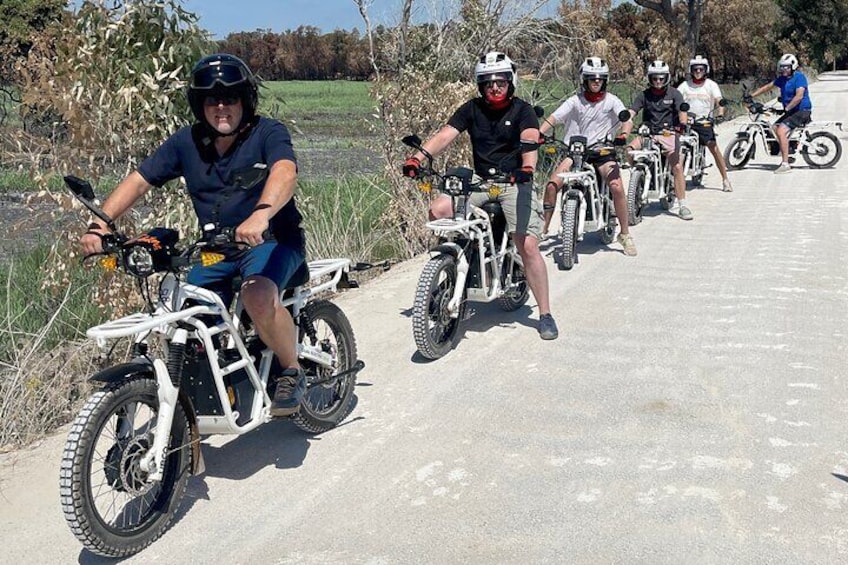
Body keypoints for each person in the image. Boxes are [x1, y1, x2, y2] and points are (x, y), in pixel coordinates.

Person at [80, 53, 307, 417]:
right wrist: (101, 222)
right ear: (199, 105)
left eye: (230, 98)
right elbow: (141, 180)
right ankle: (198, 404)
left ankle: (291, 369)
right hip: (215, 250)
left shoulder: (268, 132)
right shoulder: (187, 142)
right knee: (182, 315)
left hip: (271, 243)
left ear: (244, 101)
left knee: (258, 296)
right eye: (211, 100)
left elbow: (285, 171)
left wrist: (262, 215)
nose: (221, 107)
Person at [402, 51, 559, 340]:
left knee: (527, 245)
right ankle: (454, 264)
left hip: (515, 181)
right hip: (481, 180)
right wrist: (417, 158)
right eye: (488, 83)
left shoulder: (522, 110)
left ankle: (545, 312)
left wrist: (527, 168)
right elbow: (445, 135)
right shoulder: (471, 108)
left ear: (510, 82)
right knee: (438, 209)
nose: (495, 88)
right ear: (480, 85)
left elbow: (529, 140)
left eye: (500, 82)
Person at [539, 56, 637, 257]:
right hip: (575, 152)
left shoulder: (611, 101)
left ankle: (625, 234)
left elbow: (626, 119)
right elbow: (554, 118)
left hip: (602, 152)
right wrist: (539, 134)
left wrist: (623, 135)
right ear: (584, 79)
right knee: (551, 185)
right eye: (592, 78)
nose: (596, 82)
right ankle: (544, 229)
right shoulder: (574, 101)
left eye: (600, 79)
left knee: (617, 186)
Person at [622, 59, 692, 220]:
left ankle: (682, 205)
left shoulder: (674, 93)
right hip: (648, 133)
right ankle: (638, 177)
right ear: (650, 78)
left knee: (677, 166)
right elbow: (633, 111)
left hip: (668, 133)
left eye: (661, 78)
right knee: (629, 151)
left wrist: (682, 124)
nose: (658, 81)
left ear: (666, 78)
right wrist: (627, 117)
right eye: (655, 78)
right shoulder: (644, 95)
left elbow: (682, 111)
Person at [676, 55, 733, 192]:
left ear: (705, 70)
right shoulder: (684, 86)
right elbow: (676, 101)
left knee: (713, 147)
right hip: (687, 122)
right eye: (695, 69)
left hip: (704, 121)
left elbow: (719, 100)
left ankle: (725, 179)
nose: (698, 71)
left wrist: (719, 114)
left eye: (701, 69)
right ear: (691, 70)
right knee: (675, 146)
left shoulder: (711, 85)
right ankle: (675, 180)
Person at [748, 53, 812, 174]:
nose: (784, 69)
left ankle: (785, 164)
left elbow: (799, 96)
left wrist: (787, 108)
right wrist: (751, 95)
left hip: (802, 111)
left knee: (781, 131)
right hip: (792, 111)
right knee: (774, 127)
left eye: (786, 67)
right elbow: (768, 87)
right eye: (782, 67)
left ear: (793, 66)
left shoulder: (799, 77)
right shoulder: (782, 79)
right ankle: (787, 152)